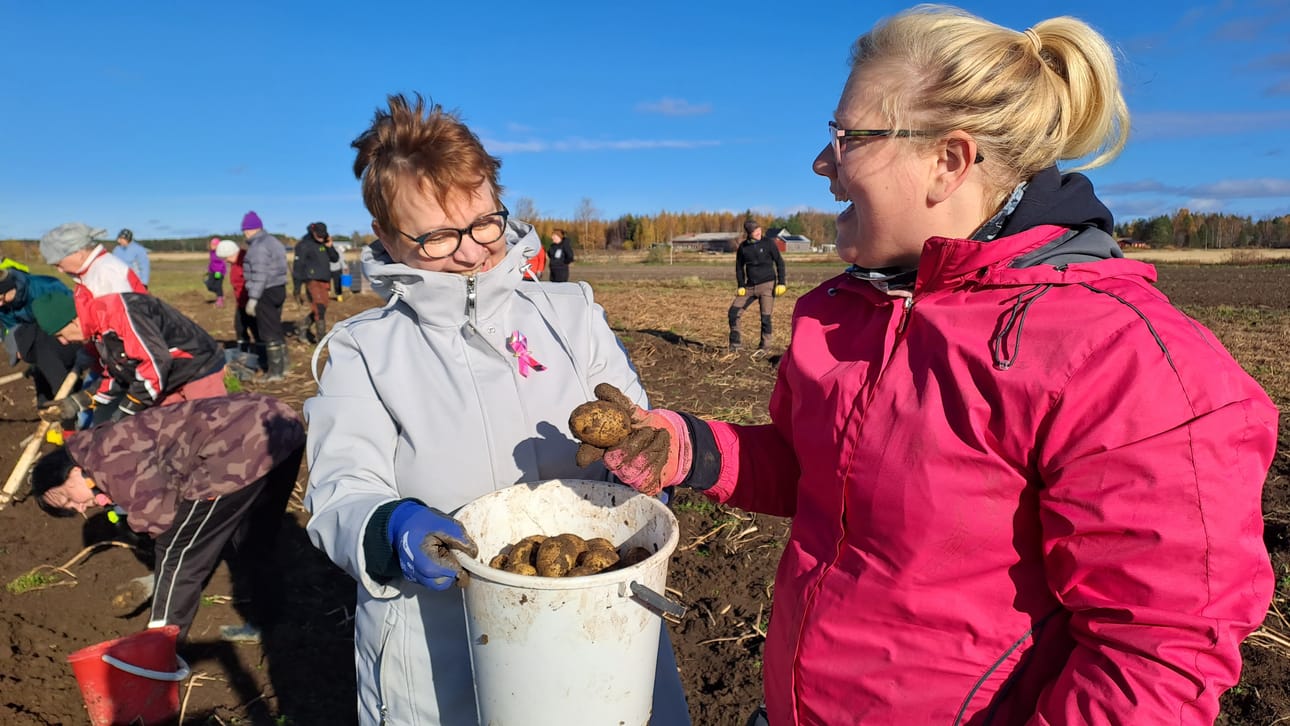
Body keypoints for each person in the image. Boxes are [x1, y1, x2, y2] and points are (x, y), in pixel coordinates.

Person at [577, 7, 1279, 724]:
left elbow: (1156, 656)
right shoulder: (842, 313)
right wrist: (688, 447)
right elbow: (810, 468)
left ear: (949, 160)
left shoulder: (1121, 360)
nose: (823, 164)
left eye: (847, 138)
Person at [302, 93, 689, 726]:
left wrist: (647, 460)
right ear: (385, 237)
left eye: (485, 222)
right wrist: (389, 527)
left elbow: (638, 429)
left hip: (602, 614)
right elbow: (342, 491)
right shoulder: (363, 352)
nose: (471, 250)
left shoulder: (571, 317)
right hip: (446, 641)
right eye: (435, 236)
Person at [30, 393, 306, 643]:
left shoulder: (106, 462)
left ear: (73, 472)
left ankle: (159, 653)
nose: (79, 507)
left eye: (67, 498)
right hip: (281, 424)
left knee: (178, 552)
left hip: (237, 450)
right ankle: (266, 623)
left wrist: (140, 527)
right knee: (254, 538)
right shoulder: (101, 442)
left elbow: (161, 518)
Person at [37, 290, 226, 425]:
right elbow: (120, 373)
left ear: (73, 321)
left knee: (210, 430)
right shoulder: (97, 328)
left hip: (199, 366)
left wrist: (127, 410)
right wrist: (79, 401)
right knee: (173, 434)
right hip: (168, 377)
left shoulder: (120, 316)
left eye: (60, 335)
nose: (63, 342)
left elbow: (155, 363)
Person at [0, 268, 80, 406]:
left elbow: (73, 310)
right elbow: (15, 330)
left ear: (9, 289)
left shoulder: (45, 287)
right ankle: (45, 407)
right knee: (40, 369)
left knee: (57, 373)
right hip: (38, 340)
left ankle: (71, 411)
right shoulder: (3, 308)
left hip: (67, 334)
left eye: (0, 298)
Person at [239, 211, 290, 380]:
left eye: (246, 229)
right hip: (279, 288)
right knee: (276, 327)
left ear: (252, 229)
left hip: (265, 291)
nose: (244, 233)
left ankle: (275, 372)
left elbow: (260, 274)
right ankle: (285, 366)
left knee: (268, 331)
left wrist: (253, 299)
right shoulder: (273, 241)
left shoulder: (258, 247)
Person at [727, 219, 786, 352]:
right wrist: (741, 285)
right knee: (733, 313)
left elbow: (779, 262)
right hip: (750, 287)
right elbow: (739, 268)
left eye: (759, 229)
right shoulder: (743, 247)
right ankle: (735, 344)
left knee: (765, 317)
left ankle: (764, 347)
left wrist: (782, 283)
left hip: (767, 285)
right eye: (755, 231)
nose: (758, 232)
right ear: (749, 233)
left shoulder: (768, 243)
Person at [292, 222, 339, 343]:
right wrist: (297, 288)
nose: (321, 237)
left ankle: (302, 327)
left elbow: (335, 258)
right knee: (319, 309)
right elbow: (298, 266)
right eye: (319, 235)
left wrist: (330, 246)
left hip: (325, 281)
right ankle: (321, 339)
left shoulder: (325, 243)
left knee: (321, 309)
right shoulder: (304, 245)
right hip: (312, 281)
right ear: (313, 232)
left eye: (323, 235)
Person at [215, 238, 255, 353]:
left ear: (232, 253)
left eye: (226, 257)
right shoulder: (235, 262)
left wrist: (253, 300)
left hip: (251, 300)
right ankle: (243, 351)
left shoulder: (246, 261)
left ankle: (262, 354)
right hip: (241, 302)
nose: (226, 260)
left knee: (255, 328)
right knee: (239, 327)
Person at [205, 238, 227, 308]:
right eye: (211, 244)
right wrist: (209, 270)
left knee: (218, 285)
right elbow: (212, 262)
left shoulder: (221, 253)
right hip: (212, 271)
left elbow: (223, 263)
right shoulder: (211, 252)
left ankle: (220, 300)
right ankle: (220, 294)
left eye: (214, 244)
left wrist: (219, 272)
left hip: (219, 272)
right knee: (209, 286)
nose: (212, 245)